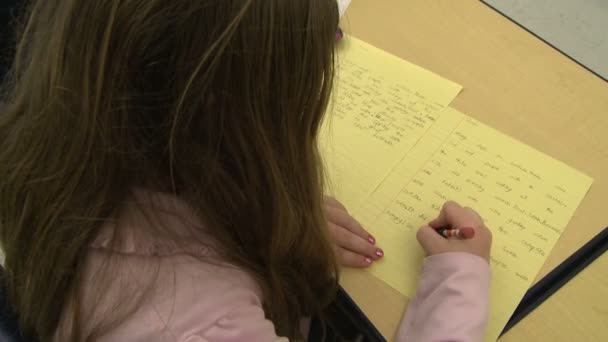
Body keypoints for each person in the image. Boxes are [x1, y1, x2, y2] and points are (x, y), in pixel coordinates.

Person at [0, 0, 491, 341]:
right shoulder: (200, 327)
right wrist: (458, 281)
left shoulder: (45, 149)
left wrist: (261, 216)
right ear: (244, 125)